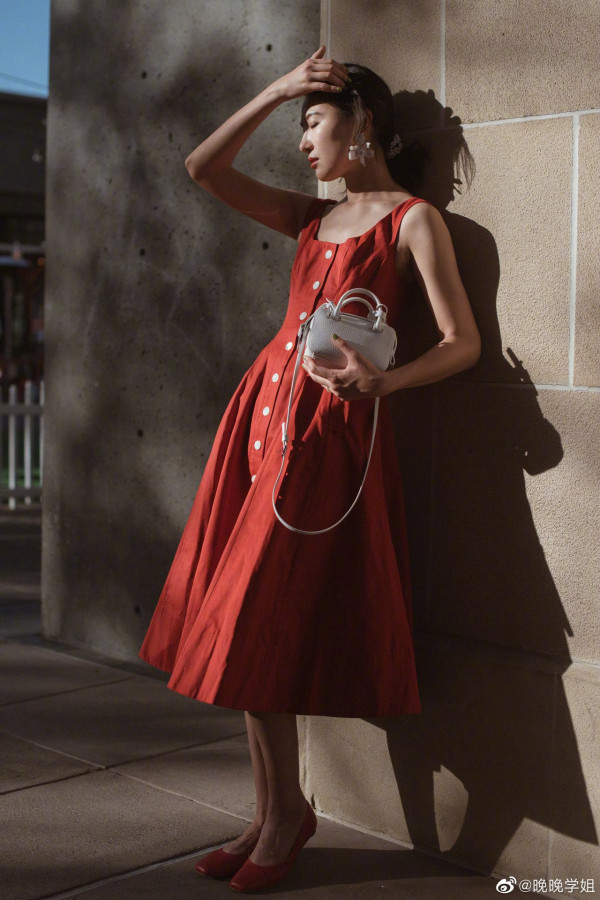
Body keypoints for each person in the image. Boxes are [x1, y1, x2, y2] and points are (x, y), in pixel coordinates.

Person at [139, 47, 480, 894]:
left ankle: (286, 814)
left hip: (326, 442)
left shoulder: (412, 222)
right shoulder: (309, 217)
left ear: (360, 123)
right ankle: (272, 812)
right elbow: (202, 168)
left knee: (251, 619)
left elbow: (463, 342)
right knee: (244, 623)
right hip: (259, 426)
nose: (301, 141)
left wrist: (383, 383)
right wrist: (281, 87)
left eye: (313, 121)